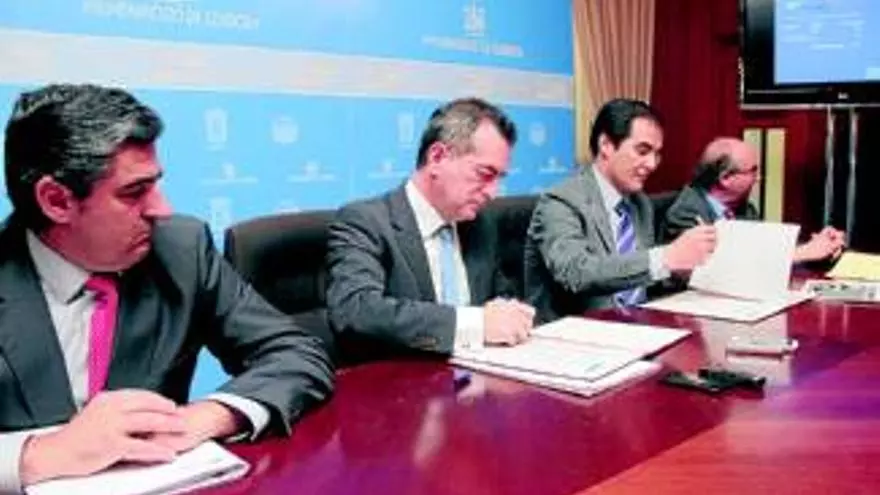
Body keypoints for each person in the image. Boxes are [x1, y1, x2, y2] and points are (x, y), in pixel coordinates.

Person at [0, 84, 334, 493]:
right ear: (56, 201)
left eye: (155, 184)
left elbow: (296, 353)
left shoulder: (180, 250)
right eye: (134, 192)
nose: (162, 209)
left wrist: (207, 416)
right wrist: (39, 455)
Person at [325, 97, 534, 359]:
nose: (493, 193)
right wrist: (475, 324)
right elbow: (355, 311)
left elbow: (501, 297)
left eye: (499, 178)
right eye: (484, 174)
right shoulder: (366, 222)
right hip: (403, 378)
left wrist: (512, 315)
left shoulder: (480, 225)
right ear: (437, 157)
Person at [524, 98, 717, 322]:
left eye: (657, 154)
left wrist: (678, 271)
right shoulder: (560, 201)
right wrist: (666, 257)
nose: (652, 164)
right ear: (606, 145)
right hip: (578, 334)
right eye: (642, 151)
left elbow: (638, 279)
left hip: (637, 327)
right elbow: (577, 272)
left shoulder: (640, 204)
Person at [661, 137, 845, 263]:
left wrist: (821, 246)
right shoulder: (686, 213)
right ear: (726, 178)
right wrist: (802, 253)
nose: (758, 178)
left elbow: (763, 250)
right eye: (753, 171)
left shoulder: (743, 209)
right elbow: (718, 267)